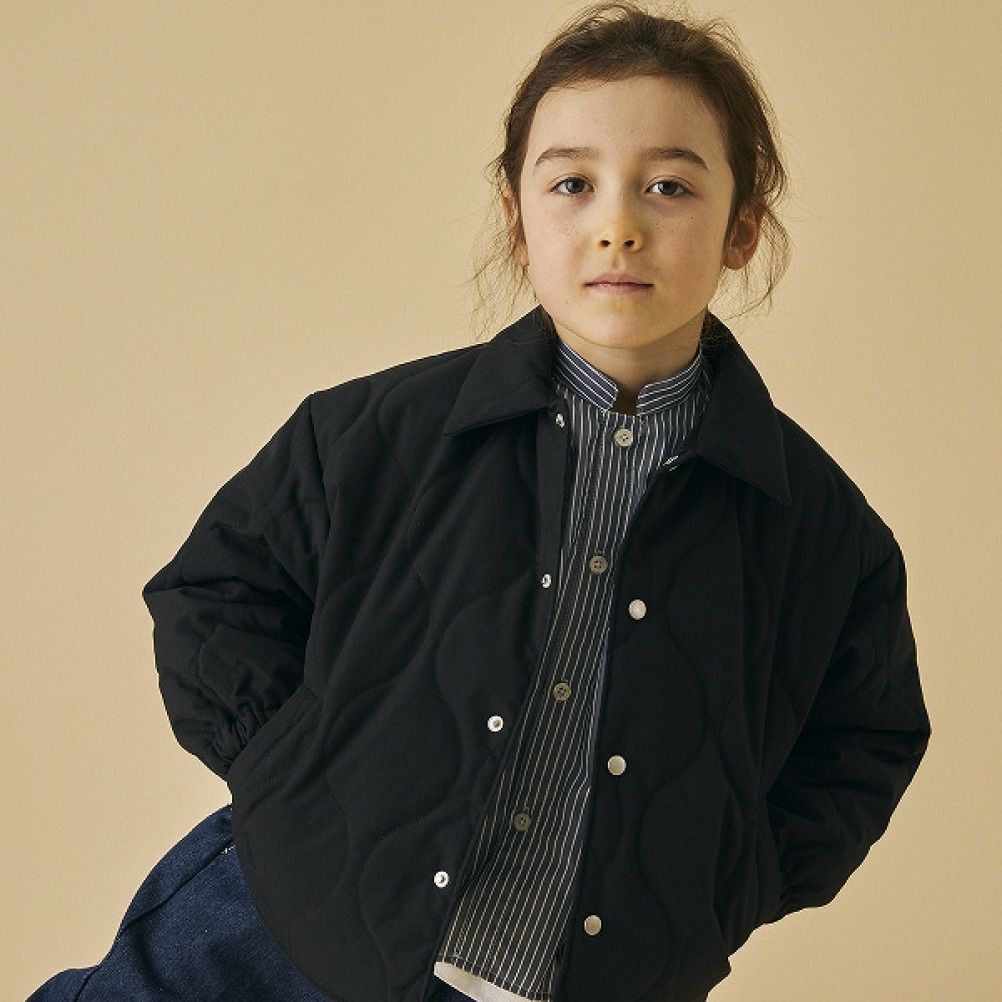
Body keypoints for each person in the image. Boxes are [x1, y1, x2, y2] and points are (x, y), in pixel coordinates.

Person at [29, 3, 931, 1001]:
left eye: (669, 186)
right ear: (516, 218)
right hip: (273, 927)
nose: (618, 225)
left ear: (742, 228)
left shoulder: (824, 532)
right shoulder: (369, 434)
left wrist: (722, 885)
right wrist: (304, 788)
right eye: (573, 184)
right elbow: (214, 596)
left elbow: (866, 741)